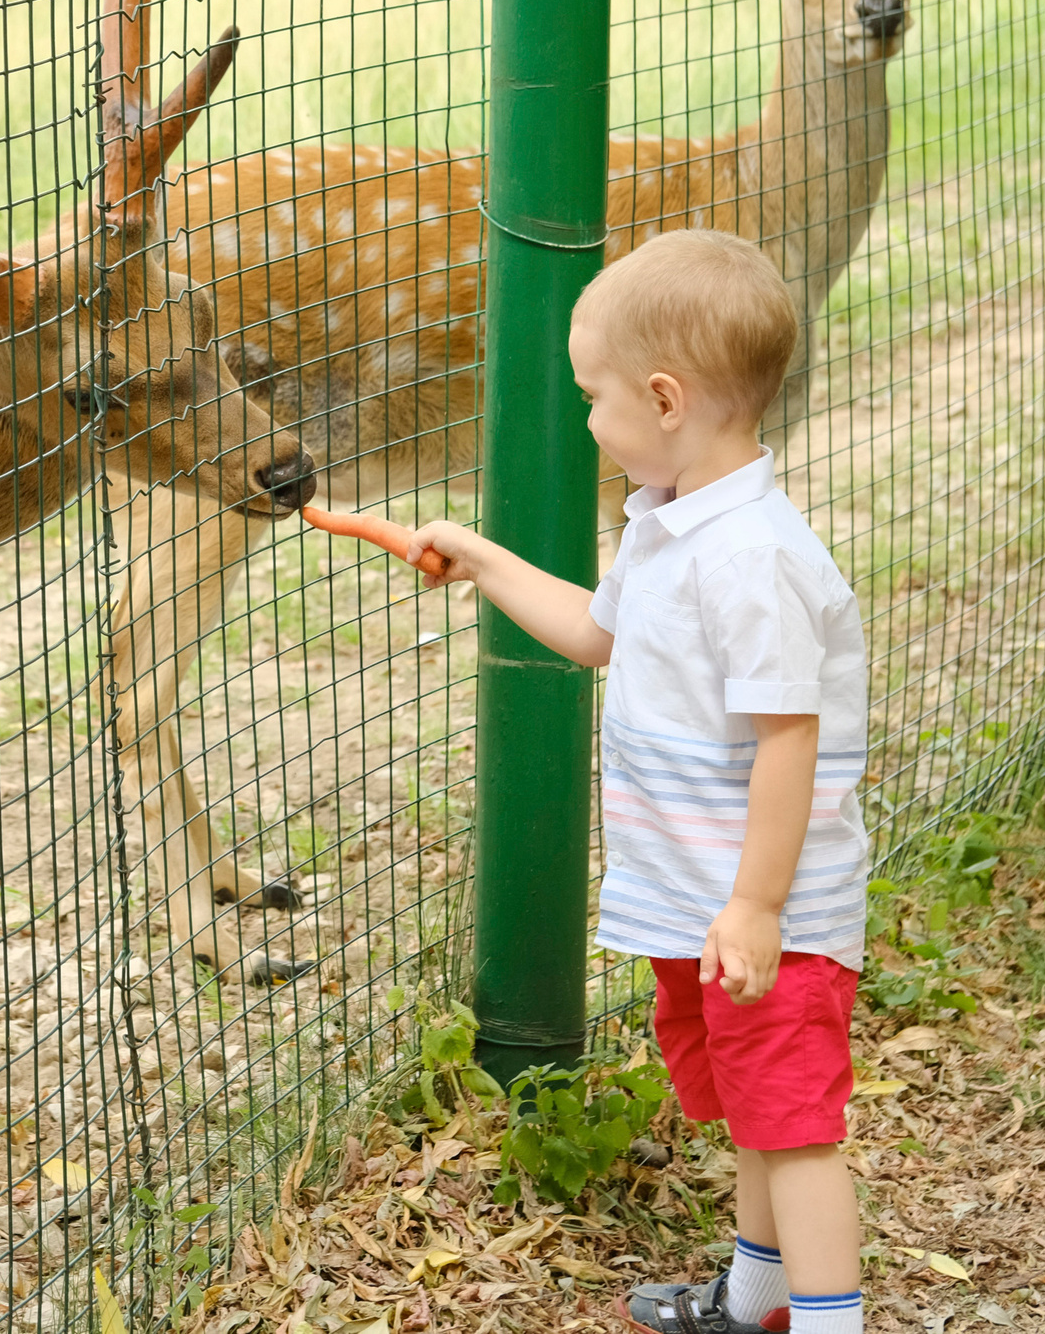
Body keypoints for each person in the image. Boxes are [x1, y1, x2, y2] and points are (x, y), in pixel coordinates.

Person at [305, 230, 868, 1334]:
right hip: (706, 904)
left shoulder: (751, 559)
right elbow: (599, 633)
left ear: (664, 399)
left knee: (795, 1134)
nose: (586, 419)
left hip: (771, 918)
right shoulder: (670, 522)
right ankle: (759, 1300)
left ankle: (828, 1323)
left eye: (593, 397)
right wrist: (482, 559)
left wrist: (757, 905)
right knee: (755, 1115)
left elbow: (789, 741)